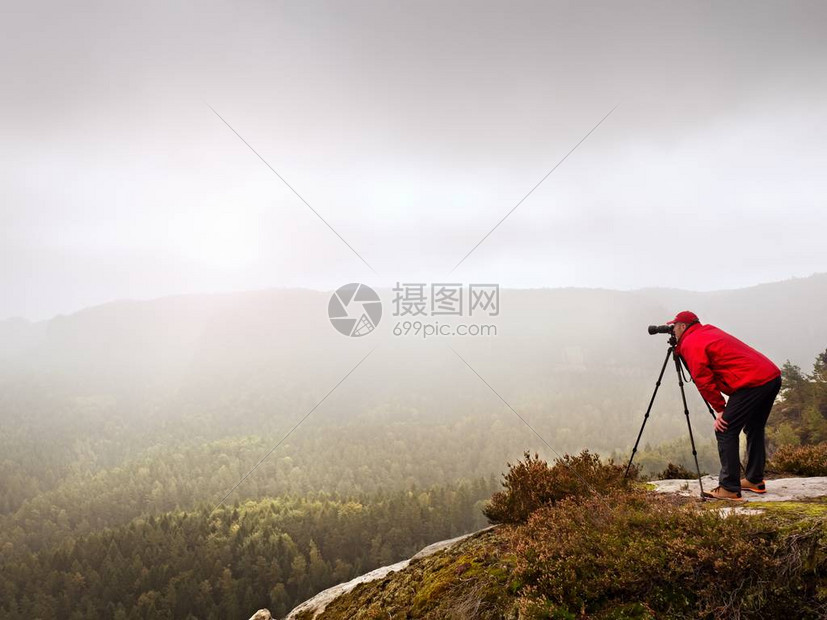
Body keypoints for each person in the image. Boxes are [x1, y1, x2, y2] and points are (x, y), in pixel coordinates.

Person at [669, 311, 782, 500]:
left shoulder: (690, 342)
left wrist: (720, 409)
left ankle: (729, 488)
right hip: (770, 376)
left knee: (725, 430)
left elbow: (703, 379)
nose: (672, 330)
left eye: (674, 326)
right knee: (754, 427)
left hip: (752, 382)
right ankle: (754, 480)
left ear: (682, 326)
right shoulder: (707, 331)